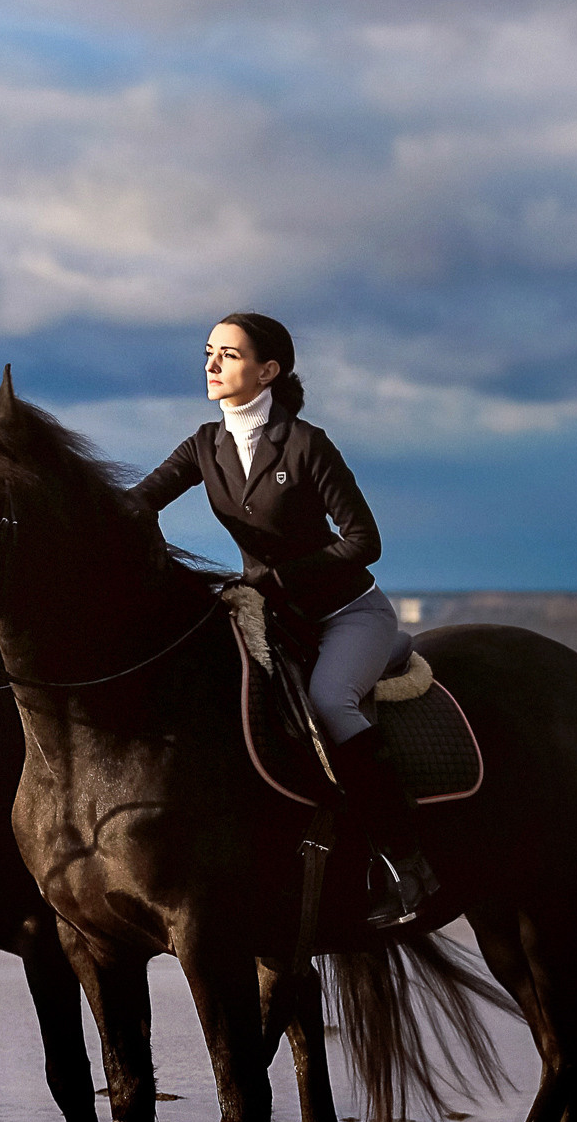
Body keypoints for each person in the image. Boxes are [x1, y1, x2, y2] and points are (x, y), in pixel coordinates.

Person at [128, 312, 438, 928]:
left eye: (229, 355)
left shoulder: (305, 444)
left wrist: (277, 579)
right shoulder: (203, 445)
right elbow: (136, 503)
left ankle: (407, 864)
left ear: (267, 370)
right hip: (270, 617)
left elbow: (363, 541)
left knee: (330, 702)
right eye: (209, 352)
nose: (212, 364)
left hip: (346, 612)